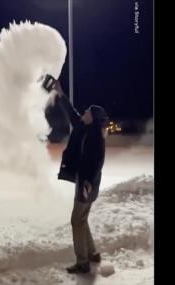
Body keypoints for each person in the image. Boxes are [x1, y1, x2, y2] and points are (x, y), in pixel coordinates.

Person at [52, 80, 109, 274]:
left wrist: (87, 184)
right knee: (82, 219)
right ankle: (92, 253)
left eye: (86, 112)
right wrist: (60, 94)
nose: (83, 113)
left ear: (92, 118)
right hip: (86, 183)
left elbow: (97, 163)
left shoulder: (96, 137)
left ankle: (83, 261)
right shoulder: (85, 128)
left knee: (76, 220)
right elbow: (71, 112)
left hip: (87, 184)